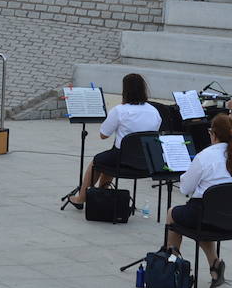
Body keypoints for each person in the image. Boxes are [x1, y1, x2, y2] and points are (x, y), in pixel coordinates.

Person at [167, 113, 232, 288]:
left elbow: (185, 189)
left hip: (207, 217)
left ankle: (171, 267)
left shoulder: (205, 156)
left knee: (173, 213)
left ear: (213, 134)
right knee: (204, 218)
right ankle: (215, 265)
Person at [67, 72, 161, 207]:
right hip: (145, 161)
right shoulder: (154, 111)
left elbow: (103, 135)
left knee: (97, 161)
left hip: (122, 159)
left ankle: (81, 198)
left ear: (125, 91)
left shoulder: (120, 110)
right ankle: (102, 196)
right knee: (109, 158)